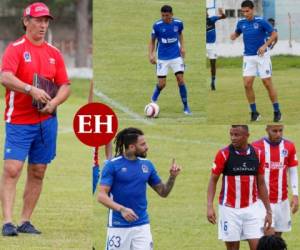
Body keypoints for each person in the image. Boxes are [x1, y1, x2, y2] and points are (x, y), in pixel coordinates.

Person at [0, 2, 71, 236]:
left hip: (46, 122)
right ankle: (8, 222)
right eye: (38, 20)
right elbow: (5, 77)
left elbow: (65, 86)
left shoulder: (54, 53)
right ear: (26, 21)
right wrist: (30, 89)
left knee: (38, 170)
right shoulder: (16, 49)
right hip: (19, 120)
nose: (42, 25)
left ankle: (25, 220)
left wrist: (54, 103)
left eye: (45, 21)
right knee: (12, 169)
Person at [98, 127, 181, 250]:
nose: (147, 147)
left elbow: (163, 192)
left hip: (142, 226)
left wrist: (172, 177)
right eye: (142, 144)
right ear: (132, 147)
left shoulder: (147, 165)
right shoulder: (112, 165)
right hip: (118, 226)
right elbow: (101, 196)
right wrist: (122, 209)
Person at [207, 125, 272, 250]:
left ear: (247, 136)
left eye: (237, 135)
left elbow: (261, 183)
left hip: (252, 208)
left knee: (258, 247)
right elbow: (213, 180)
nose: (233, 138)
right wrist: (209, 206)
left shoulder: (258, 154)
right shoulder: (223, 154)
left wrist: (268, 210)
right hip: (229, 210)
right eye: (231, 134)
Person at [230, 0, 281, 122]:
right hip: (248, 57)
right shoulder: (241, 23)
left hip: (262, 56)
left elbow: (274, 34)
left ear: (252, 10)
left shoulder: (261, 21)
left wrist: (265, 46)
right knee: (247, 85)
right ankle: (254, 113)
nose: (245, 14)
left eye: (247, 11)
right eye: (243, 12)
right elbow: (237, 32)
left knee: (267, 84)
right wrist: (234, 36)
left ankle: (277, 111)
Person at [252, 125, 298, 237]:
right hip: (262, 202)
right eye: (274, 131)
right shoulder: (256, 147)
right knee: (269, 238)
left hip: (282, 200)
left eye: (280, 131)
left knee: (277, 239)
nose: (278, 134)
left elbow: (293, 171)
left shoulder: (289, 146)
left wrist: (296, 194)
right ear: (267, 129)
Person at [149, 5, 191, 115]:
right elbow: (152, 41)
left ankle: (186, 107)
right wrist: (151, 54)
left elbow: (180, 34)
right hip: (162, 57)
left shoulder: (178, 23)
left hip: (176, 56)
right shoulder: (157, 26)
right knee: (162, 84)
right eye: (163, 15)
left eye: (167, 15)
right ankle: (153, 99)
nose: (164, 18)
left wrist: (182, 47)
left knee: (180, 79)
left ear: (172, 14)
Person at [206, 8, 226, 90]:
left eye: (206, 11)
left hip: (211, 45)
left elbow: (224, 17)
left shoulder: (212, 19)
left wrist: (222, 12)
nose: (206, 13)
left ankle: (213, 82)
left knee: (213, 63)